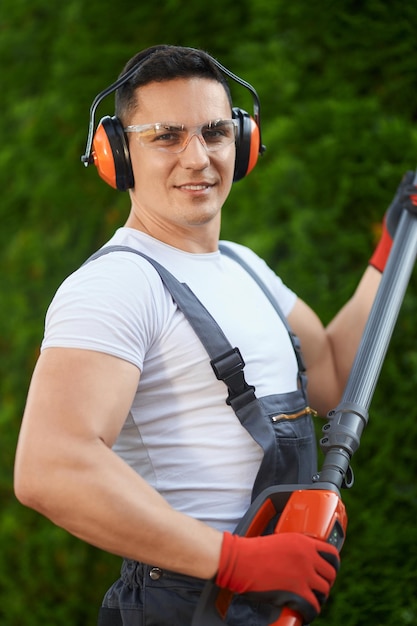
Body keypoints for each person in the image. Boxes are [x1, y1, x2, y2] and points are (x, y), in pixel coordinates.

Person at [13, 44, 413, 626]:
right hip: (185, 602)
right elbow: (51, 467)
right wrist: (236, 561)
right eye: (167, 136)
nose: (198, 157)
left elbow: (330, 377)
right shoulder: (116, 284)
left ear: (243, 144)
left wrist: (390, 250)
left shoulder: (242, 265)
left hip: (265, 599)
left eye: (215, 132)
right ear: (118, 156)